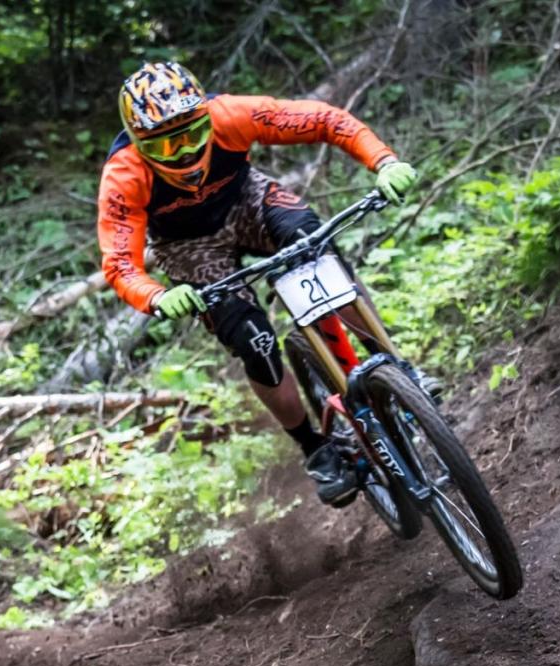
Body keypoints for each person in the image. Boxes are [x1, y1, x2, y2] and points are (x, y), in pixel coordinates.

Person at [96, 60, 419, 507]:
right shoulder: (124, 176)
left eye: (192, 135)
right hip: (190, 247)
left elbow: (326, 120)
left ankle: (397, 368)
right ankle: (317, 449)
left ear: (207, 118)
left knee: (315, 247)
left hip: (248, 202)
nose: (185, 154)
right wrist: (158, 295)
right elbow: (119, 264)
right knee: (255, 342)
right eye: (167, 147)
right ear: (139, 144)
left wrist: (383, 161)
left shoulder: (231, 115)